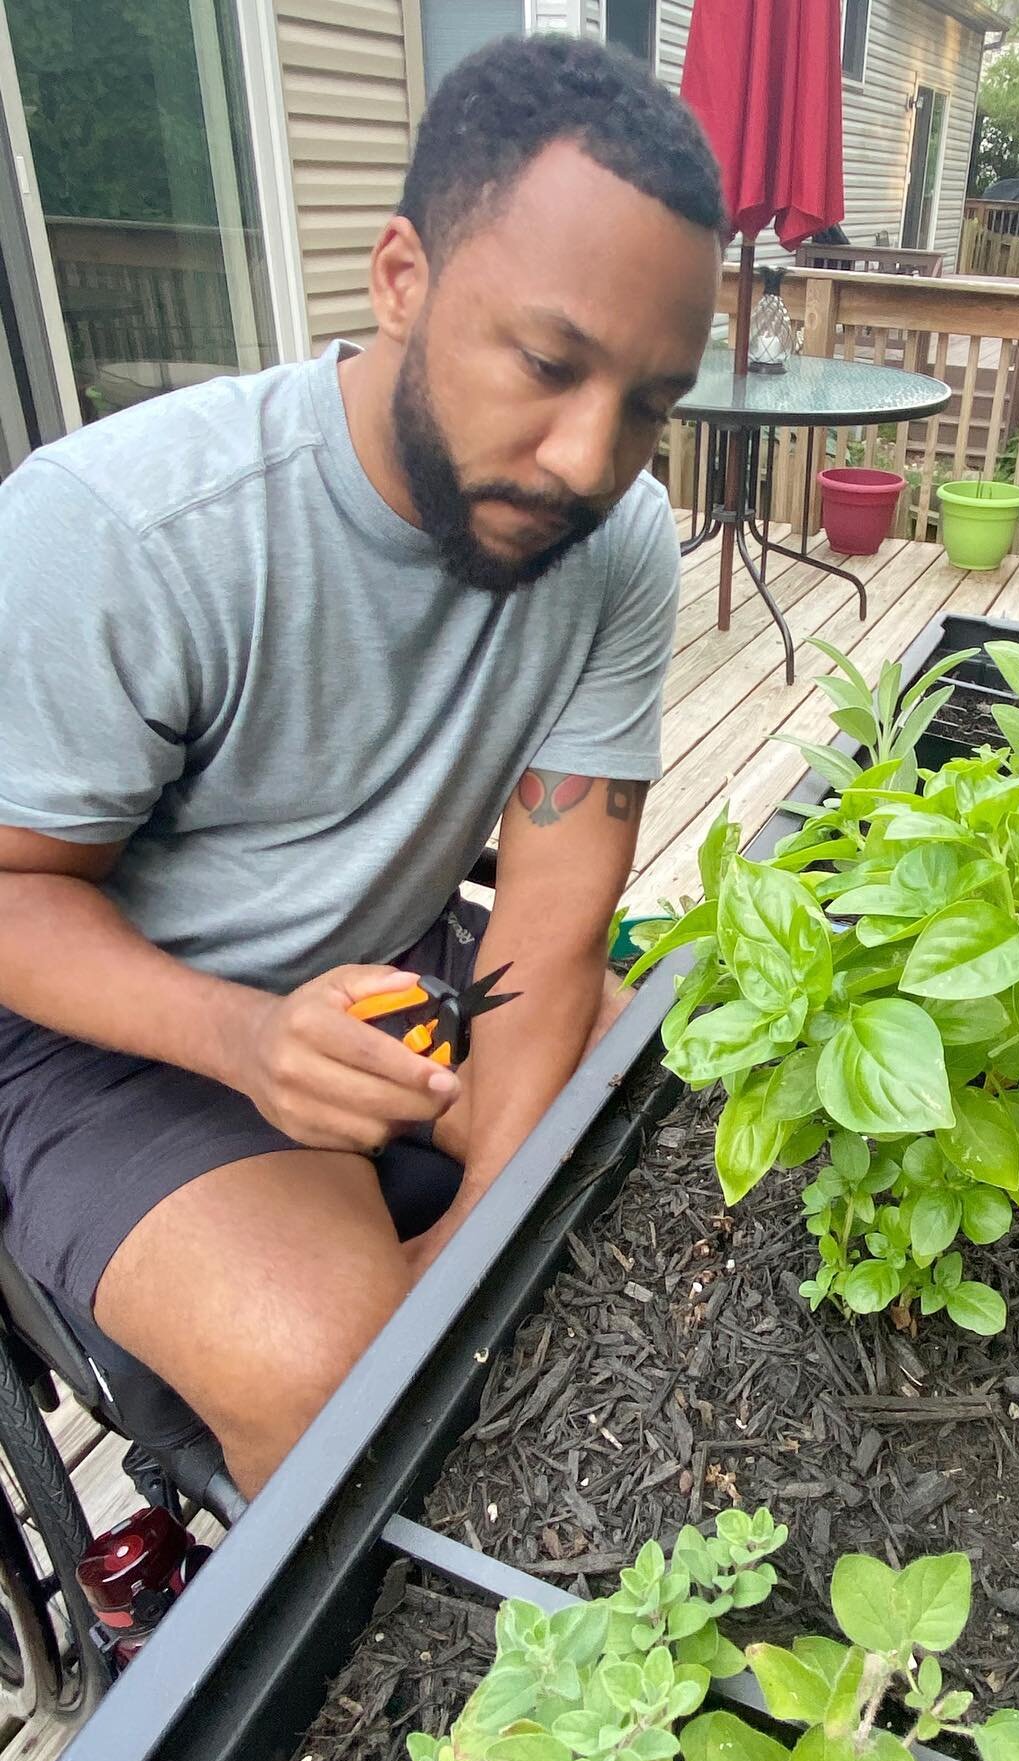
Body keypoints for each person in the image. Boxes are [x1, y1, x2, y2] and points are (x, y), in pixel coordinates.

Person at [0, 36, 724, 1498]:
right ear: (401, 275)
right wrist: (246, 1043)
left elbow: (549, 924)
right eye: (547, 363)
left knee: (670, 1130)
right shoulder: (124, 534)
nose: (592, 458)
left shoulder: (619, 547)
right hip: (102, 1029)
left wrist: (466, 1247)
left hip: (389, 972)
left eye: (649, 403)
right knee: (339, 1380)